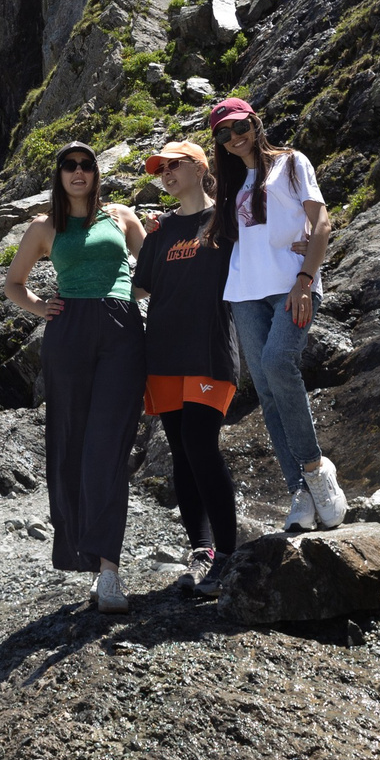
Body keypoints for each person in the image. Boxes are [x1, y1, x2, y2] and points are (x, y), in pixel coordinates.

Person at [3, 141, 146, 613]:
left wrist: (125, 293)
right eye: (69, 165)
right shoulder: (44, 227)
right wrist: (41, 307)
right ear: (59, 174)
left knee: (110, 444)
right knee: (70, 441)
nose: (78, 171)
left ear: (96, 173)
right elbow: (13, 283)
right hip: (68, 334)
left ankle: (109, 571)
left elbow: (152, 272)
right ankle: (81, 553)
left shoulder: (121, 217)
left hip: (122, 331)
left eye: (86, 164)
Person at [206, 96, 347, 532]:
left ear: (255, 122)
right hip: (244, 292)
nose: (235, 137)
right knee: (267, 390)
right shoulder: (228, 182)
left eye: (240, 126)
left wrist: (305, 279)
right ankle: (298, 491)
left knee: (277, 363)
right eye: (223, 133)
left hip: (292, 285)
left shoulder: (291, 163)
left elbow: (321, 223)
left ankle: (315, 469)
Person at [131, 140, 240, 597]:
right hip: (163, 352)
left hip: (209, 349)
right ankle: (201, 549)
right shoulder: (160, 231)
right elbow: (138, 289)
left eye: (174, 165)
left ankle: (228, 555)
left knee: (200, 442)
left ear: (199, 168)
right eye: (161, 170)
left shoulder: (227, 218)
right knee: (181, 450)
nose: (166, 174)